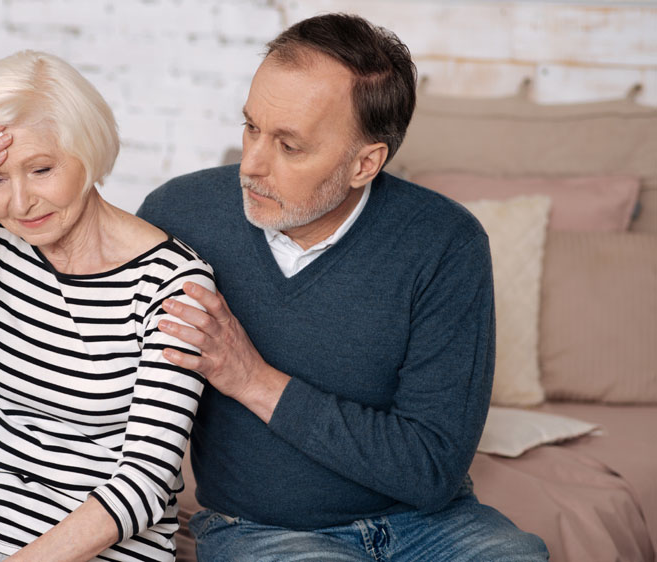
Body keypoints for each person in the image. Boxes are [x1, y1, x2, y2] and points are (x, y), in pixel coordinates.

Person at [133, 13, 551, 562]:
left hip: (431, 524)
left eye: (289, 145)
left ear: (364, 163)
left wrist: (252, 379)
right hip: (262, 530)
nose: (251, 165)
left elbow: (430, 468)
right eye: (251, 127)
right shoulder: (178, 216)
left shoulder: (445, 243)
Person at [0, 50, 215, 562]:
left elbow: (144, 485)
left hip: (103, 548)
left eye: (41, 169)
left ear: (89, 151)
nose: (19, 202)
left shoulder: (172, 283)